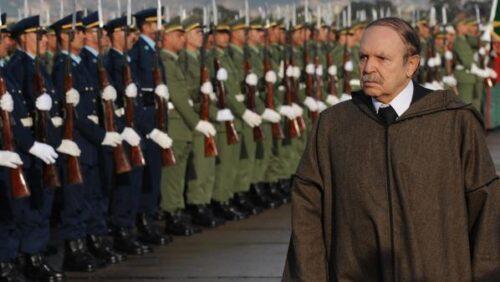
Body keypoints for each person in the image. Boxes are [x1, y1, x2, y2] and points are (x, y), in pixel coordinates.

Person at [283, 17, 500, 281]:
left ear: (411, 65)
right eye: (363, 57)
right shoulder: (334, 126)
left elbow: (486, 211)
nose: (368, 67)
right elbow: (308, 216)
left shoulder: (453, 123)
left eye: (382, 58)